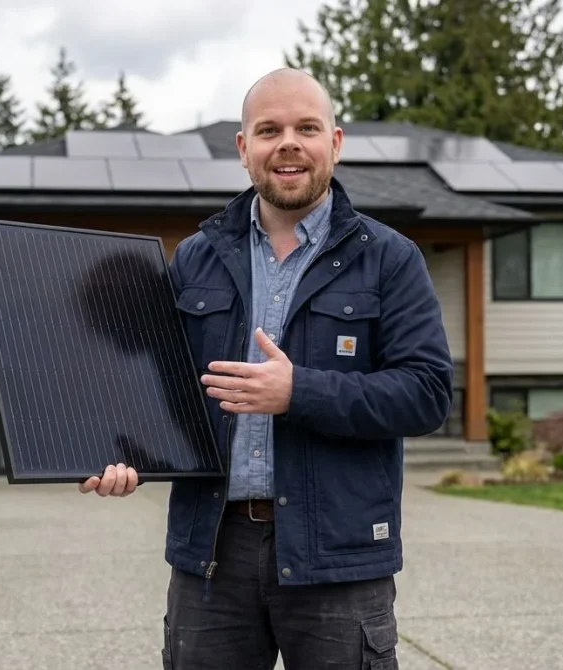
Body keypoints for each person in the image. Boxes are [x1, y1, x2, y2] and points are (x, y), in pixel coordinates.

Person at [79, 67, 453, 670]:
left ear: (334, 143)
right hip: (212, 552)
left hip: (337, 557)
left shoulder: (389, 258)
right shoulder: (196, 257)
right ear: (243, 149)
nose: (288, 143)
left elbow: (427, 393)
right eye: (268, 129)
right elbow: (164, 394)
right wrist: (122, 458)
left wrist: (298, 390)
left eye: (307, 127)